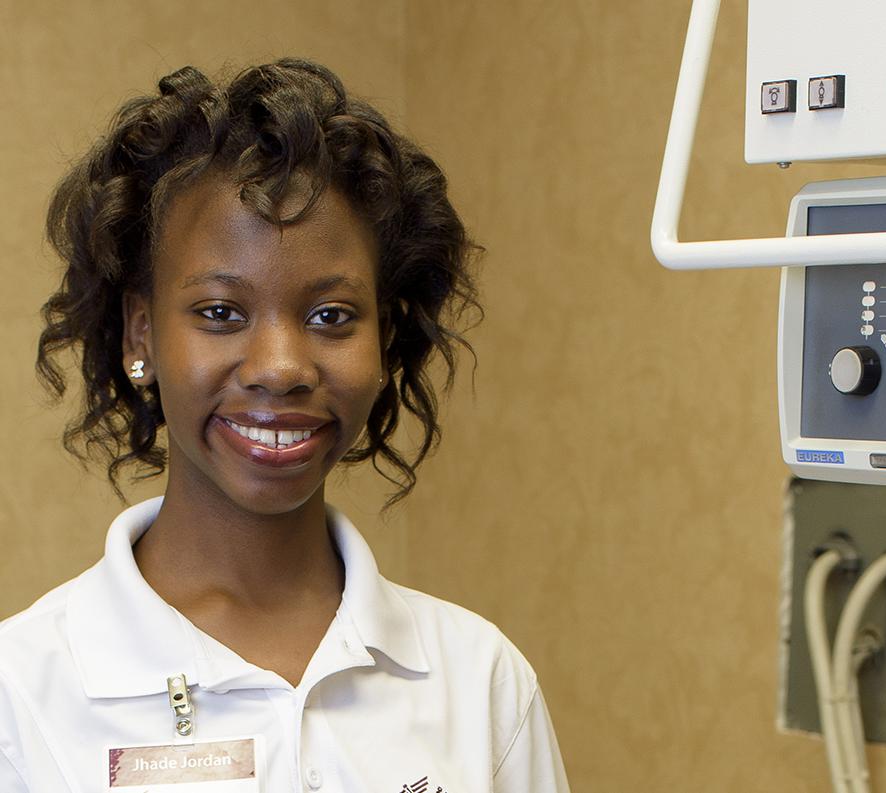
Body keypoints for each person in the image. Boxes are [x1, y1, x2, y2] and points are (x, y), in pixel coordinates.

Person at [0, 58, 569, 793]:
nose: (280, 366)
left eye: (330, 316)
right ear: (140, 332)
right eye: (221, 313)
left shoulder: (481, 681)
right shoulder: (21, 693)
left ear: (384, 341)